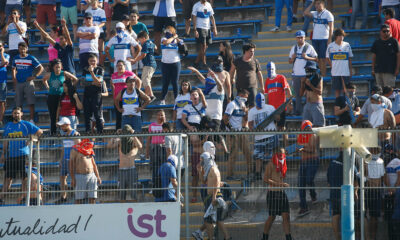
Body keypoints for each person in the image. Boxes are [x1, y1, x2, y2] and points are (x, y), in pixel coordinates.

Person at [0, 107, 43, 204]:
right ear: (12, 114)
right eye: (14, 113)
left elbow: (40, 132)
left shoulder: (26, 124)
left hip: (23, 155)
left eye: (18, 113)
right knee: (7, 177)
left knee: (25, 177)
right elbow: (6, 141)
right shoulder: (8, 126)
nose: (16, 115)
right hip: (11, 155)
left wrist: (31, 139)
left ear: (21, 114)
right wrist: (3, 153)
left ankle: (24, 196)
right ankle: (1, 197)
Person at [198, 144, 230, 240]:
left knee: (209, 220)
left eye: (203, 160)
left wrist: (214, 197)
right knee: (212, 219)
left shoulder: (212, 168)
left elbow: (216, 182)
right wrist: (199, 171)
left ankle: (212, 237)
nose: (202, 162)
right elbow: (203, 181)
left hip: (213, 196)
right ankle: (222, 237)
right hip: (211, 195)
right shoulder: (208, 168)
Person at [181, 88, 207, 202]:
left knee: (205, 174)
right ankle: (194, 195)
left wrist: (201, 93)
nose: (195, 97)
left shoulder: (202, 104)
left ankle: (205, 194)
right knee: (196, 175)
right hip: (194, 129)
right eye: (193, 95)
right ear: (190, 97)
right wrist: (189, 127)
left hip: (202, 128)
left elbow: (205, 104)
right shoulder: (187, 107)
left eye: (196, 95)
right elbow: (182, 118)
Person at [327, 152, 359, 240]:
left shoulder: (332, 163)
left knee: (335, 214)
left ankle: (337, 237)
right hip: (347, 194)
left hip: (334, 193)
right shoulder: (350, 165)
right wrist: (355, 192)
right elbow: (356, 180)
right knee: (349, 214)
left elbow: (328, 181)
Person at [262, 147, 292, 240]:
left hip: (281, 192)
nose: (284, 155)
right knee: (272, 217)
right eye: (282, 154)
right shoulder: (270, 164)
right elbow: (266, 179)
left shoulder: (282, 164)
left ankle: (288, 237)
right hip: (273, 193)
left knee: (286, 216)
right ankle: (265, 237)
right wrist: (280, 184)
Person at [43, 59, 78, 134]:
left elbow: (76, 79)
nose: (57, 69)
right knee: (53, 117)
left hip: (61, 97)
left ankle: (64, 133)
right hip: (52, 97)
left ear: (61, 67)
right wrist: (47, 87)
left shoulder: (64, 73)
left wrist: (70, 88)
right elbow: (44, 80)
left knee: (61, 115)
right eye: (56, 67)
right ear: (53, 67)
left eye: (59, 67)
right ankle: (53, 134)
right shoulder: (50, 74)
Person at [248, 93, 278, 180]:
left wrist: (276, 117)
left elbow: (277, 119)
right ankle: (258, 174)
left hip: (270, 135)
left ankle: (272, 174)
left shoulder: (270, 108)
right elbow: (250, 124)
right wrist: (253, 129)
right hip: (259, 137)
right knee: (258, 156)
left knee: (270, 156)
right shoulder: (252, 111)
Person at [12, 42, 44, 123]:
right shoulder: (15, 58)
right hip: (19, 82)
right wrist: (14, 80)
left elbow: (41, 68)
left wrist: (34, 76)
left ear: (26, 49)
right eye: (20, 48)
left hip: (28, 82)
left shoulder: (31, 58)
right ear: (18, 49)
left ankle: (31, 119)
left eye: (24, 48)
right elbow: (13, 69)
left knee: (31, 102)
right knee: (18, 103)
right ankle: (19, 119)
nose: (22, 50)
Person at [223, 89, 252, 180]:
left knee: (248, 153)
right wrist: (231, 130)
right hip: (232, 133)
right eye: (245, 97)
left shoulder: (242, 105)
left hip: (241, 132)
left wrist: (246, 112)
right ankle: (229, 175)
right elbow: (225, 118)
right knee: (233, 154)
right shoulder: (232, 105)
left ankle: (250, 173)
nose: (246, 100)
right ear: (240, 95)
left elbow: (245, 120)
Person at [288, 30, 318, 115]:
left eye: (302, 37)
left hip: (306, 74)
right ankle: (298, 112)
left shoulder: (309, 47)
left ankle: (307, 112)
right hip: (296, 74)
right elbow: (289, 61)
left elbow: (316, 59)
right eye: (298, 38)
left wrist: (307, 57)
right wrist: (292, 58)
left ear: (304, 38)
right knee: (297, 95)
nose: (300, 39)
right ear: (296, 38)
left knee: (307, 95)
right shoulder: (293, 48)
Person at [264, 61, 293, 146]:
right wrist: (266, 108)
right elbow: (267, 96)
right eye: (268, 69)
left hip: (281, 108)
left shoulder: (281, 78)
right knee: (273, 129)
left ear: (275, 69)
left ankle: (286, 147)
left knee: (282, 128)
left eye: (271, 69)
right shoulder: (267, 81)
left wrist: (290, 103)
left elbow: (287, 90)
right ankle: (275, 147)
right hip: (271, 109)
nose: (270, 70)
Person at [188, 65, 224, 131]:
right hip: (206, 117)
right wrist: (196, 71)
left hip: (215, 117)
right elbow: (202, 78)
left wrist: (215, 77)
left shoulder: (217, 89)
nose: (206, 82)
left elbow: (220, 85)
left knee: (216, 137)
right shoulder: (207, 88)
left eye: (208, 81)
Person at [304, 0, 334, 76]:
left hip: (324, 39)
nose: (316, 6)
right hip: (315, 39)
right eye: (316, 4)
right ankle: (319, 76)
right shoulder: (315, 13)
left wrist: (329, 39)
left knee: (323, 59)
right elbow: (305, 13)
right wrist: (312, 4)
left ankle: (323, 76)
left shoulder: (328, 14)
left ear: (323, 4)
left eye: (318, 4)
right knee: (317, 58)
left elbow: (331, 28)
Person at [55, 117, 80, 204]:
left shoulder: (75, 133)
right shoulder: (65, 135)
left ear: (67, 125)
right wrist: (61, 160)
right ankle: (64, 196)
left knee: (74, 179)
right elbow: (63, 148)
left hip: (72, 160)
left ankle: (78, 197)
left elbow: (78, 147)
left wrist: (75, 160)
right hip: (65, 160)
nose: (61, 128)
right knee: (62, 178)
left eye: (62, 126)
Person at [230, 43, 264, 108]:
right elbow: (232, 71)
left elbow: (259, 74)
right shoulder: (237, 60)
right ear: (245, 51)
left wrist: (262, 86)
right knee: (240, 107)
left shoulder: (255, 61)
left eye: (253, 51)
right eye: (251, 51)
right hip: (241, 88)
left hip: (252, 87)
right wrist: (232, 78)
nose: (252, 53)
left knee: (252, 106)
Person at [296, 120, 319, 216]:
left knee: (309, 180)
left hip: (313, 160)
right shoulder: (300, 136)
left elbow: (312, 149)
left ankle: (313, 195)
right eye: (307, 128)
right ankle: (303, 207)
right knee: (300, 184)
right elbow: (299, 147)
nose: (309, 129)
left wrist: (302, 148)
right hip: (303, 162)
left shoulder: (313, 135)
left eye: (309, 127)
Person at [70, 139, 101, 204]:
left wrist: (98, 176)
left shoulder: (89, 149)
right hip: (80, 176)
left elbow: (94, 164)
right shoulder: (74, 150)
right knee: (79, 198)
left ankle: (92, 212)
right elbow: (71, 165)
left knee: (92, 197)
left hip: (92, 175)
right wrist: (73, 179)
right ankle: (78, 213)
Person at [326, 28, 354, 97]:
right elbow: (327, 57)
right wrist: (332, 66)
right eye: (340, 35)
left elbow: (350, 58)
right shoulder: (330, 46)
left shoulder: (347, 45)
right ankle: (338, 105)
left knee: (345, 90)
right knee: (337, 90)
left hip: (345, 72)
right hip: (335, 73)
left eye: (343, 36)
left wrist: (350, 70)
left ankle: (345, 105)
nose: (342, 37)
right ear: (336, 36)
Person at [365, 147, 385, 240]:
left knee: (374, 217)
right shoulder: (366, 161)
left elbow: (381, 178)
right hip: (371, 190)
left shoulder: (380, 161)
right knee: (371, 216)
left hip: (375, 190)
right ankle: (370, 236)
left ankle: (372, 236)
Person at [118, 124, 142, 201]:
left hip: (131, 169)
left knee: (133, 192)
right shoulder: (120, 141)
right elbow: (109, 145)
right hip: (121, 170)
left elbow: (140, 146)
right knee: (121, 193)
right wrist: (117, 134)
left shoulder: (133, 143)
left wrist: (133, 134)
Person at [159, 26, 183, 105]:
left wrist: (179, 41)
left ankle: (177, 99)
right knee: (165, 82)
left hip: (175, 63)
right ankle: (162, 99)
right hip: (165, 63)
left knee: (175, 82)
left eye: (169, 30)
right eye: (166, 30)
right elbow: (166, 43)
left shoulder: (177, 40)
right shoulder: (163, 39)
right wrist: (173, 37)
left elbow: (183, 49)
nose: (167, 32)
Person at [81, 54, 105, 133]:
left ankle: (100, 133)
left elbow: (99, 82)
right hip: (87, 95)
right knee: (87, 115)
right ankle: (88, 133)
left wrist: (91, 72)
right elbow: (82, 83)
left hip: (96, 95)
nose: (92, 62)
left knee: (97, 115)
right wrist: (92, 83)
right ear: (88, 61)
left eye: (94, 61)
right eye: (91, 61)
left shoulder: (100, 70)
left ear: (97, 61)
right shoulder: (85, 69)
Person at [110, 60, 136, 130]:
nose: (120, 67)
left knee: (128, 116)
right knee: (118, 118)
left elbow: (139, 81)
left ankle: (130, 132)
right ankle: (118, 135)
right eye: (118, 65)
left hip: (127, 99)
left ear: (124, 66)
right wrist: (114, 95)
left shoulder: (129, 74)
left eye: (121, 65)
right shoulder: (113, 75)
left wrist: (136, 92)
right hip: (117, 100)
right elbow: (112, 86)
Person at [192, 0, 217, 68]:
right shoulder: (196, 5)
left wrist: (215, 28)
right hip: (200, 28)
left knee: (205, 47)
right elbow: (194, 18)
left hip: (207, 28)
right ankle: (204, 63)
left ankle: (196, 62)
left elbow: (212, 17)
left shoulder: (208, 5)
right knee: (203, 46)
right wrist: (195, 29)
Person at [300, 61, 325, 127]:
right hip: (308, 104)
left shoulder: (318, 77)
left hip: (316, 104)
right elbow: (301, 94)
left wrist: (310, 85)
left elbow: (320, 92)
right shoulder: (306, 78)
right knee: (306, 127)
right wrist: (302, 83)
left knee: (318, 127)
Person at [147, 110, 167, 186]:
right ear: (156, 116)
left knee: (163, 166)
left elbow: (168, 135)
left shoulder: (166, 126)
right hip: (154, 148)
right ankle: (155, 184)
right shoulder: (152, 125)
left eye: (162, 115)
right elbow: (149, 139)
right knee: (155, 167)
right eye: (159, 115)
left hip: (163, 147)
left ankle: (163, 184)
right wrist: (147, 151)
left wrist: (164, 123)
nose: (160, 117)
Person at [136, 31, 157, 101]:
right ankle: (149, 95)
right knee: (145, 79)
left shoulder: (145, 44)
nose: (140, 42)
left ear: (143, 38)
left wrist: (134, 60)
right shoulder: (150, 42)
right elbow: (156, 47)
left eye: (140, 40)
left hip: (148, 64)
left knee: (145, 80)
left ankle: (149, 95)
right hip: (151, 64)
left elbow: (143, 55)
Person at [84, 0, 106, 65]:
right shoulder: (87, 11)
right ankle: (91, 65)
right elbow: (84, 22)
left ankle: (100, 65)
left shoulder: (101, 11)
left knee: (101, 50)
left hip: (100, 32)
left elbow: (103, 22)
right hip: (90, 32)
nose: (93, 4)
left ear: (97, 2)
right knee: (91, 49)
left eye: (94, 2)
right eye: (92, 2)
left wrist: (97, 27)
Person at [384, 154, 400, 239]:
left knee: (391, 217)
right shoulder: (395, 162)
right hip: (394, 193)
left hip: (391, 193)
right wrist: (393, 188)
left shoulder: (391, 163)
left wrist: (391, 188)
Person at [0, 41, 9, 125]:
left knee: (2, 101)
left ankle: (0, 120)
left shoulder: (6, 55)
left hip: (2, 80)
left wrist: (2, 53)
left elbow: (5, 62)